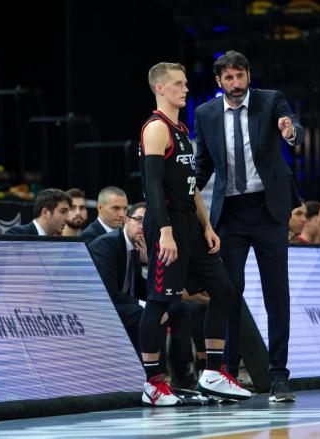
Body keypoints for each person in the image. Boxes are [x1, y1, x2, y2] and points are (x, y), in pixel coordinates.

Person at [138, 61, 251, 406]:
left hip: (190, 223)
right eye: (178, 84)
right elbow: (152, 186)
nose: (185, 89)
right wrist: (166, 232)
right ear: (160, 88)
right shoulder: (155, 129)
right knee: (159, 302)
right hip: (166, 223)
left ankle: (214, 373)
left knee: (224, 290)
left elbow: (193, 187)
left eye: (185, 83)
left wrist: (206, 226)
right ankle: (153, 383)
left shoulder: (182, 129)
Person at [194, 50, 303, 402]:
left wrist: (289, 132)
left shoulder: (271, 101)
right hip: (232, 214)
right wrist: (181, 190)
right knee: (228, 292)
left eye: (240, 76)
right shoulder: (205, 113)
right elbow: (203, 165)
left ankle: (279, 376)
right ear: (218, 81)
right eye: (228, 78)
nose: (236, 84)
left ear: (248, 76)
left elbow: (291, 125)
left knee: (276, 294)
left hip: (269, 210)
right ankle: (226, 372)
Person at [88, 202, 149, 352]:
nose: (143, 226)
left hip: (122, 303)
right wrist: (146, 305)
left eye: (148, 222)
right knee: (142, 313)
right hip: (97, 306)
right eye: (139, 219)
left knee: (175, 309)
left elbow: (144, 291)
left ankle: (180, 371)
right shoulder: (107, 244)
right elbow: (110, 294)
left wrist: (145, 264)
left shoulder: (140, 246)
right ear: (127, 221)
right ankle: (147, 369)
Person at [6, 189, 71, 236]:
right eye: (63, 211)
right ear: (45, 212)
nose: (67, 218)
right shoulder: (17, 234)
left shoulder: (58, 242)